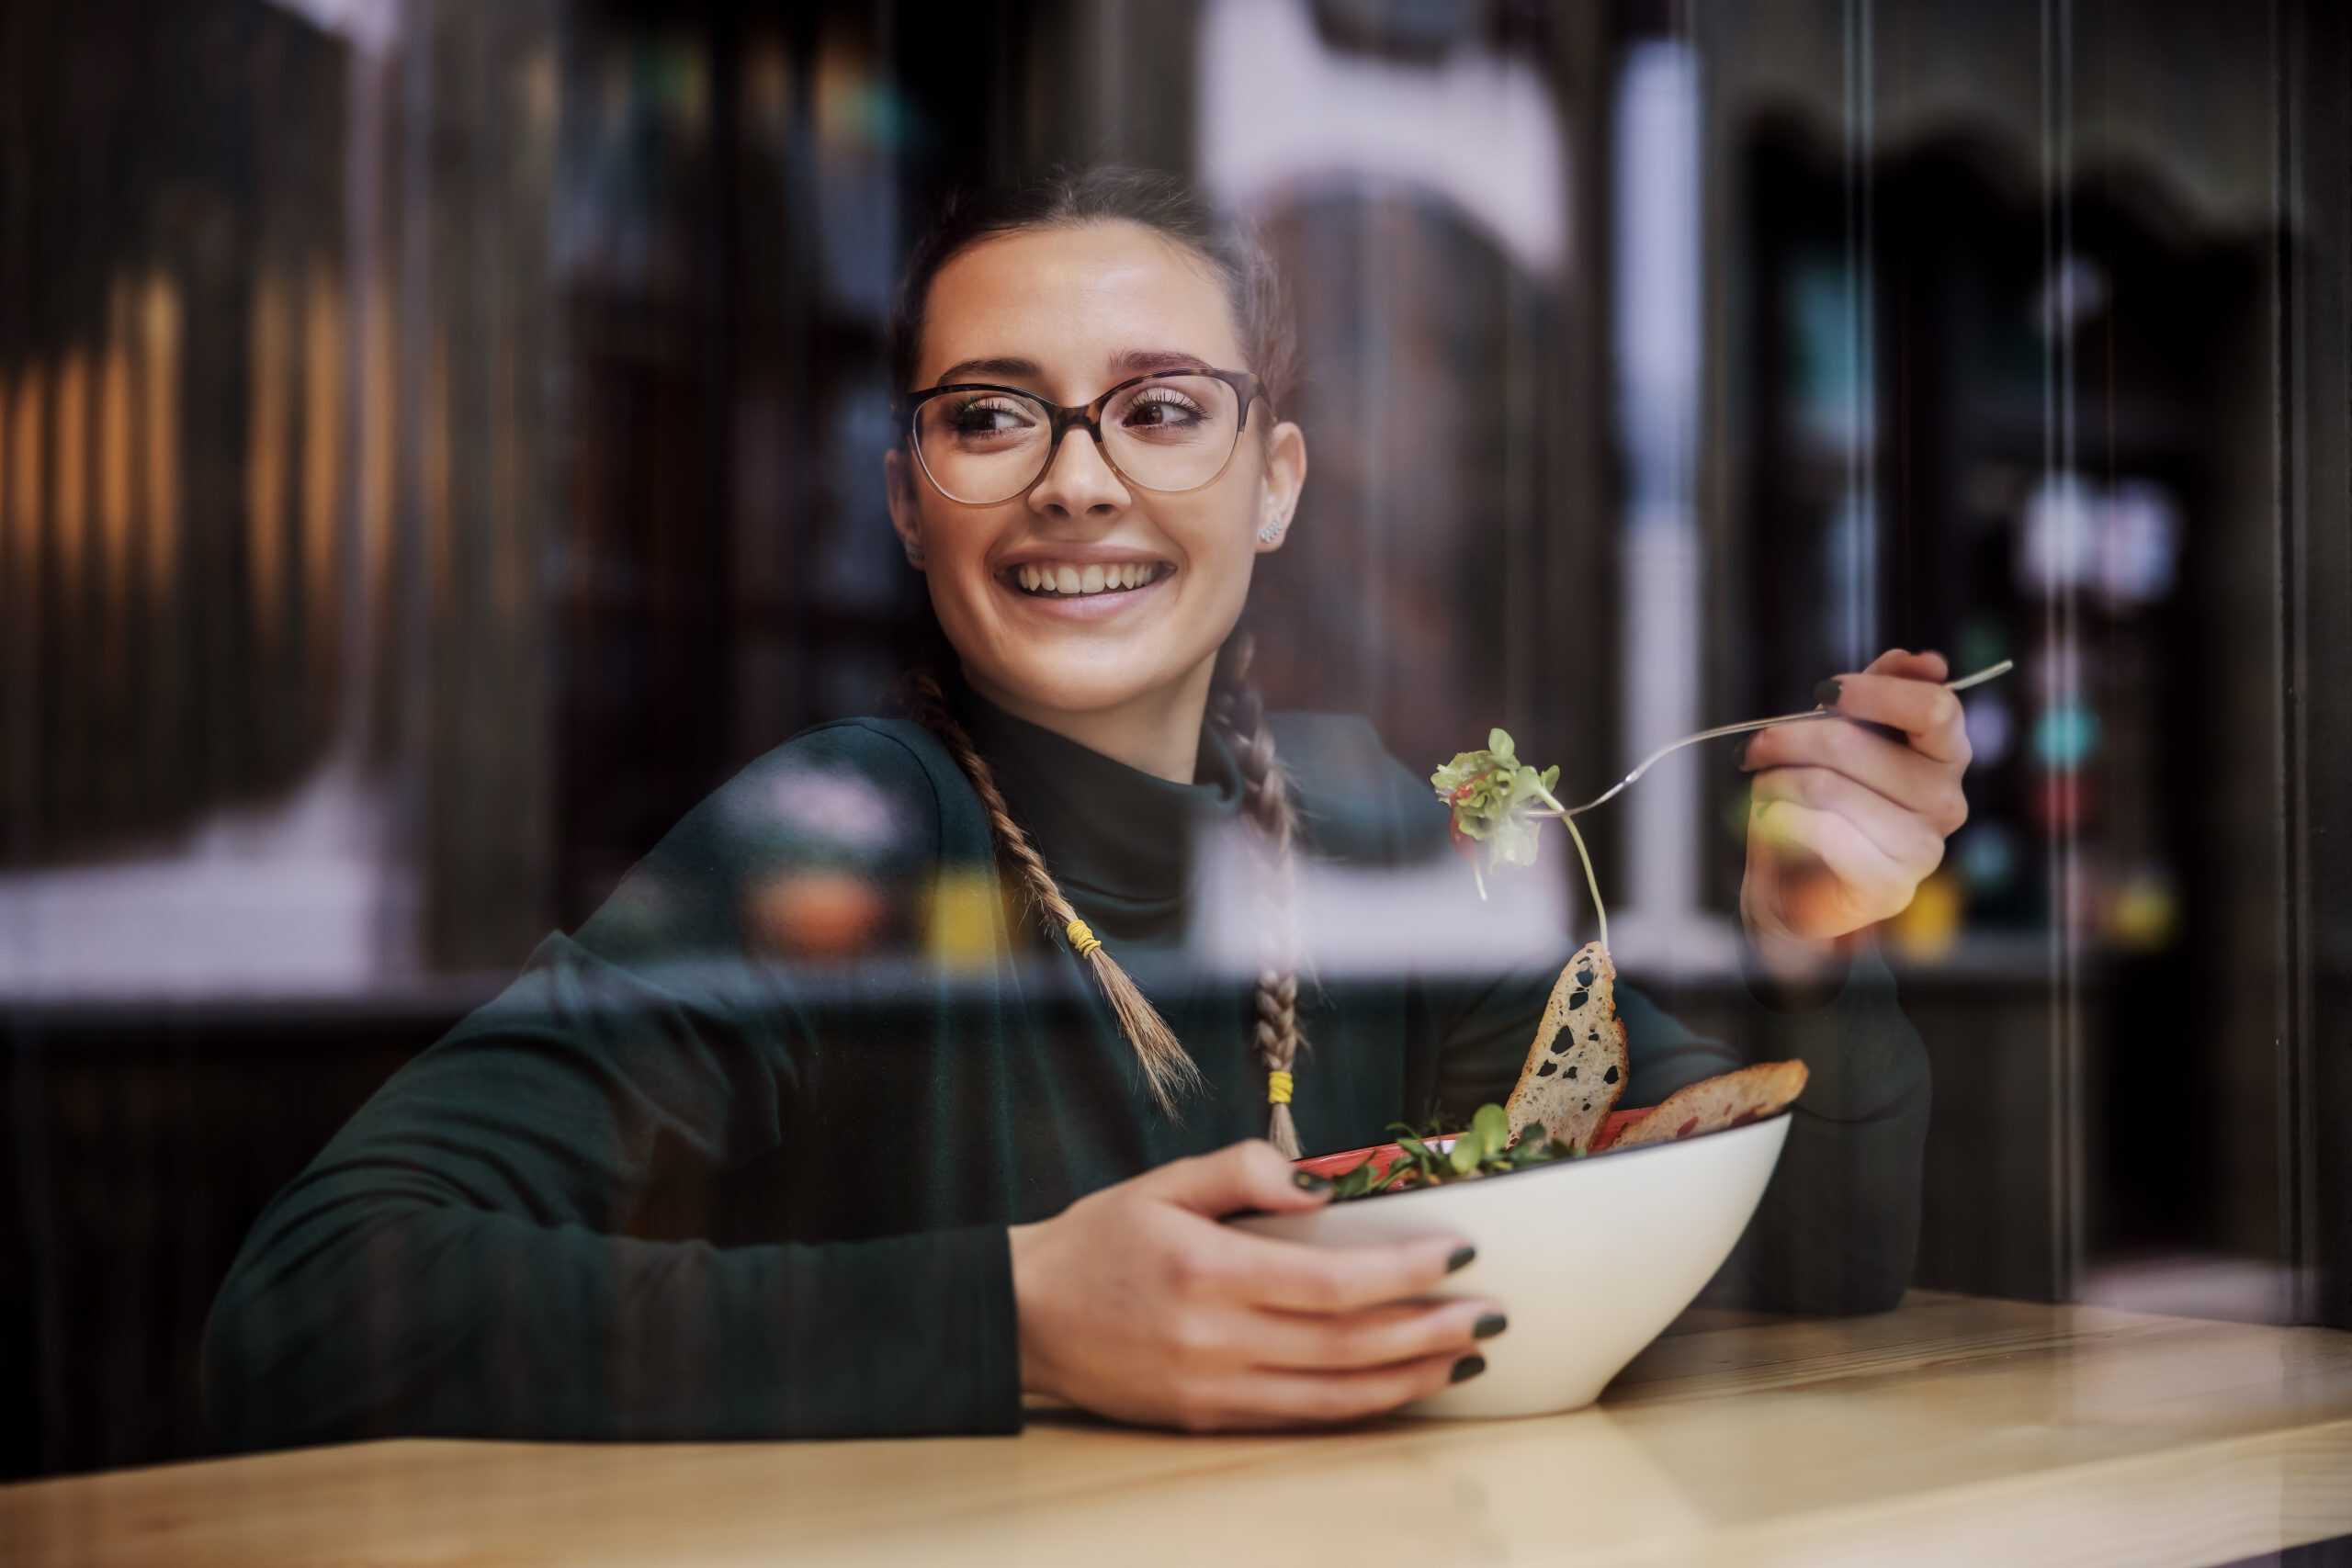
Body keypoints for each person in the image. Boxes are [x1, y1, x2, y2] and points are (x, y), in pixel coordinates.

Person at [203, 166, 1971, 1446]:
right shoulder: (829, 838)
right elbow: (310, 1307)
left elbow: (1816, 1271)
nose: (1077, 483)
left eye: (1160, 412)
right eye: (992, 418)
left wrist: (1812, 952)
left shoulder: (1372, 829)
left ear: (1272, 484)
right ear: (909, 500)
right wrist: (1022, 1317)